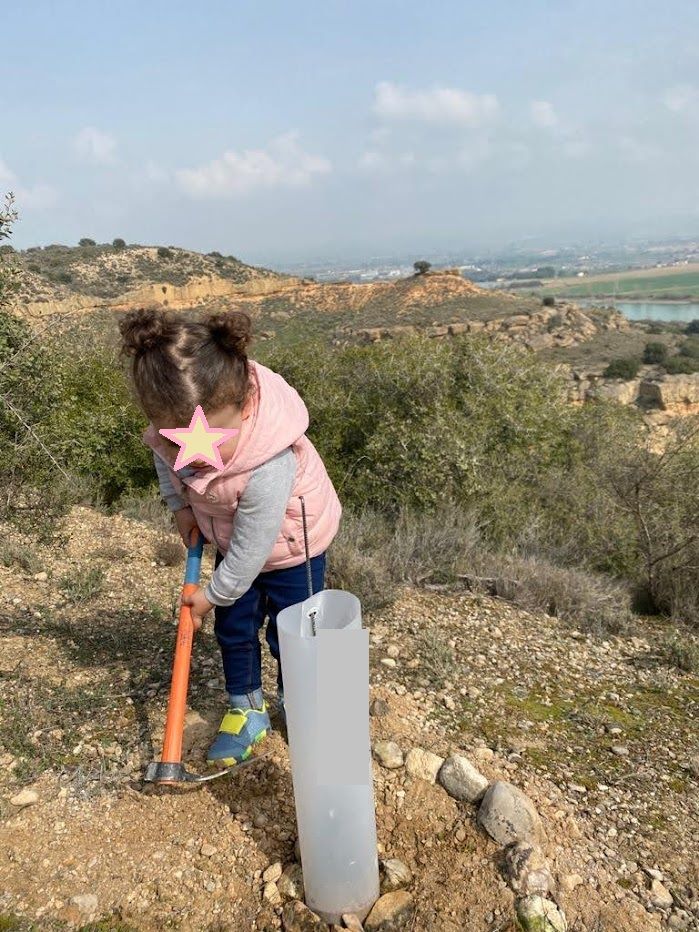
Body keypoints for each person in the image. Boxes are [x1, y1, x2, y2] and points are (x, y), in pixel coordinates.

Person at [118, 307, 342, 765]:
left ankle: (303, 706)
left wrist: (209, 595)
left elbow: (252, 550)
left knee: (294, 633)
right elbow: (164, 457)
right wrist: (180, 506)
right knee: (234, 629)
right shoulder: (173, 435)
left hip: (293, 549)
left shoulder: (269, 462)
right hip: (234, 544)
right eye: (175, 439)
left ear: (244, 406)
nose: (192, 455)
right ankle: (246, 709)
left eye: (208, 441)